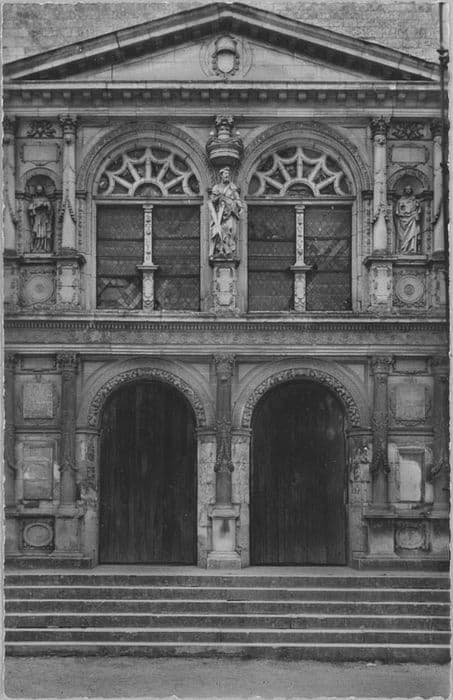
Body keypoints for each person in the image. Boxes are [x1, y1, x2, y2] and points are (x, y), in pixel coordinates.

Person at [208, 167, 243, 257]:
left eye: (228, 174)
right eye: (225, 174)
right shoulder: (216, 187)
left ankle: (229, 249)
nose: (227, 175)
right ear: (221, 175)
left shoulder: (232, 186)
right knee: (220, 230)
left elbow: (237, 197)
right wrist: (219, 197)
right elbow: (212, 200)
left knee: (230, 229)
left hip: (230, 212)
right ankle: (221, 249)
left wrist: (240, 207)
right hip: (220, 213)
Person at [394, 185, 421, 254]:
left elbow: (418, 210)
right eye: (406, 189)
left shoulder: (414, 200)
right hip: (402, 219)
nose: (408, 190)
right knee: (402, 235)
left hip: (412, 218)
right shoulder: (400, 200)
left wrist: (417, 207)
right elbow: (397, 211)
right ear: (404, 191)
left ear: (411, 190)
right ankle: (403, 248)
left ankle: (411, 248)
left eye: (409, 189)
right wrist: (402, 211)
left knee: (412, 233)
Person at [28, 185, 53, 253]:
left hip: (44, 218)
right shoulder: (33, 199)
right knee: (36, 232)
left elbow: (50, 209)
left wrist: (46, 205)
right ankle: (36, 247)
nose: (39, 191)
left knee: (43, 233)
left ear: (42, 190)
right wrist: (36, 207)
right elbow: (30, 209)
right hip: (37, 217)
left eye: (40, 190)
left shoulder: (46, 199)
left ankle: (44, 247)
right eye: (38, 190)